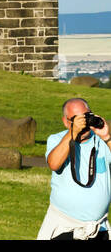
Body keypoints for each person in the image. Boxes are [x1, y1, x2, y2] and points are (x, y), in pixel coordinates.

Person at [39, 98, 111, 239]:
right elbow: (53, 163)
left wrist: (107, 137)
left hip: (99, 227)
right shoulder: (57, 139)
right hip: (64, 227)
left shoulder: (102, 142)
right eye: (77, 119)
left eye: (86, 117)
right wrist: (72, 133)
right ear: (66, 122)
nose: (83, 124)